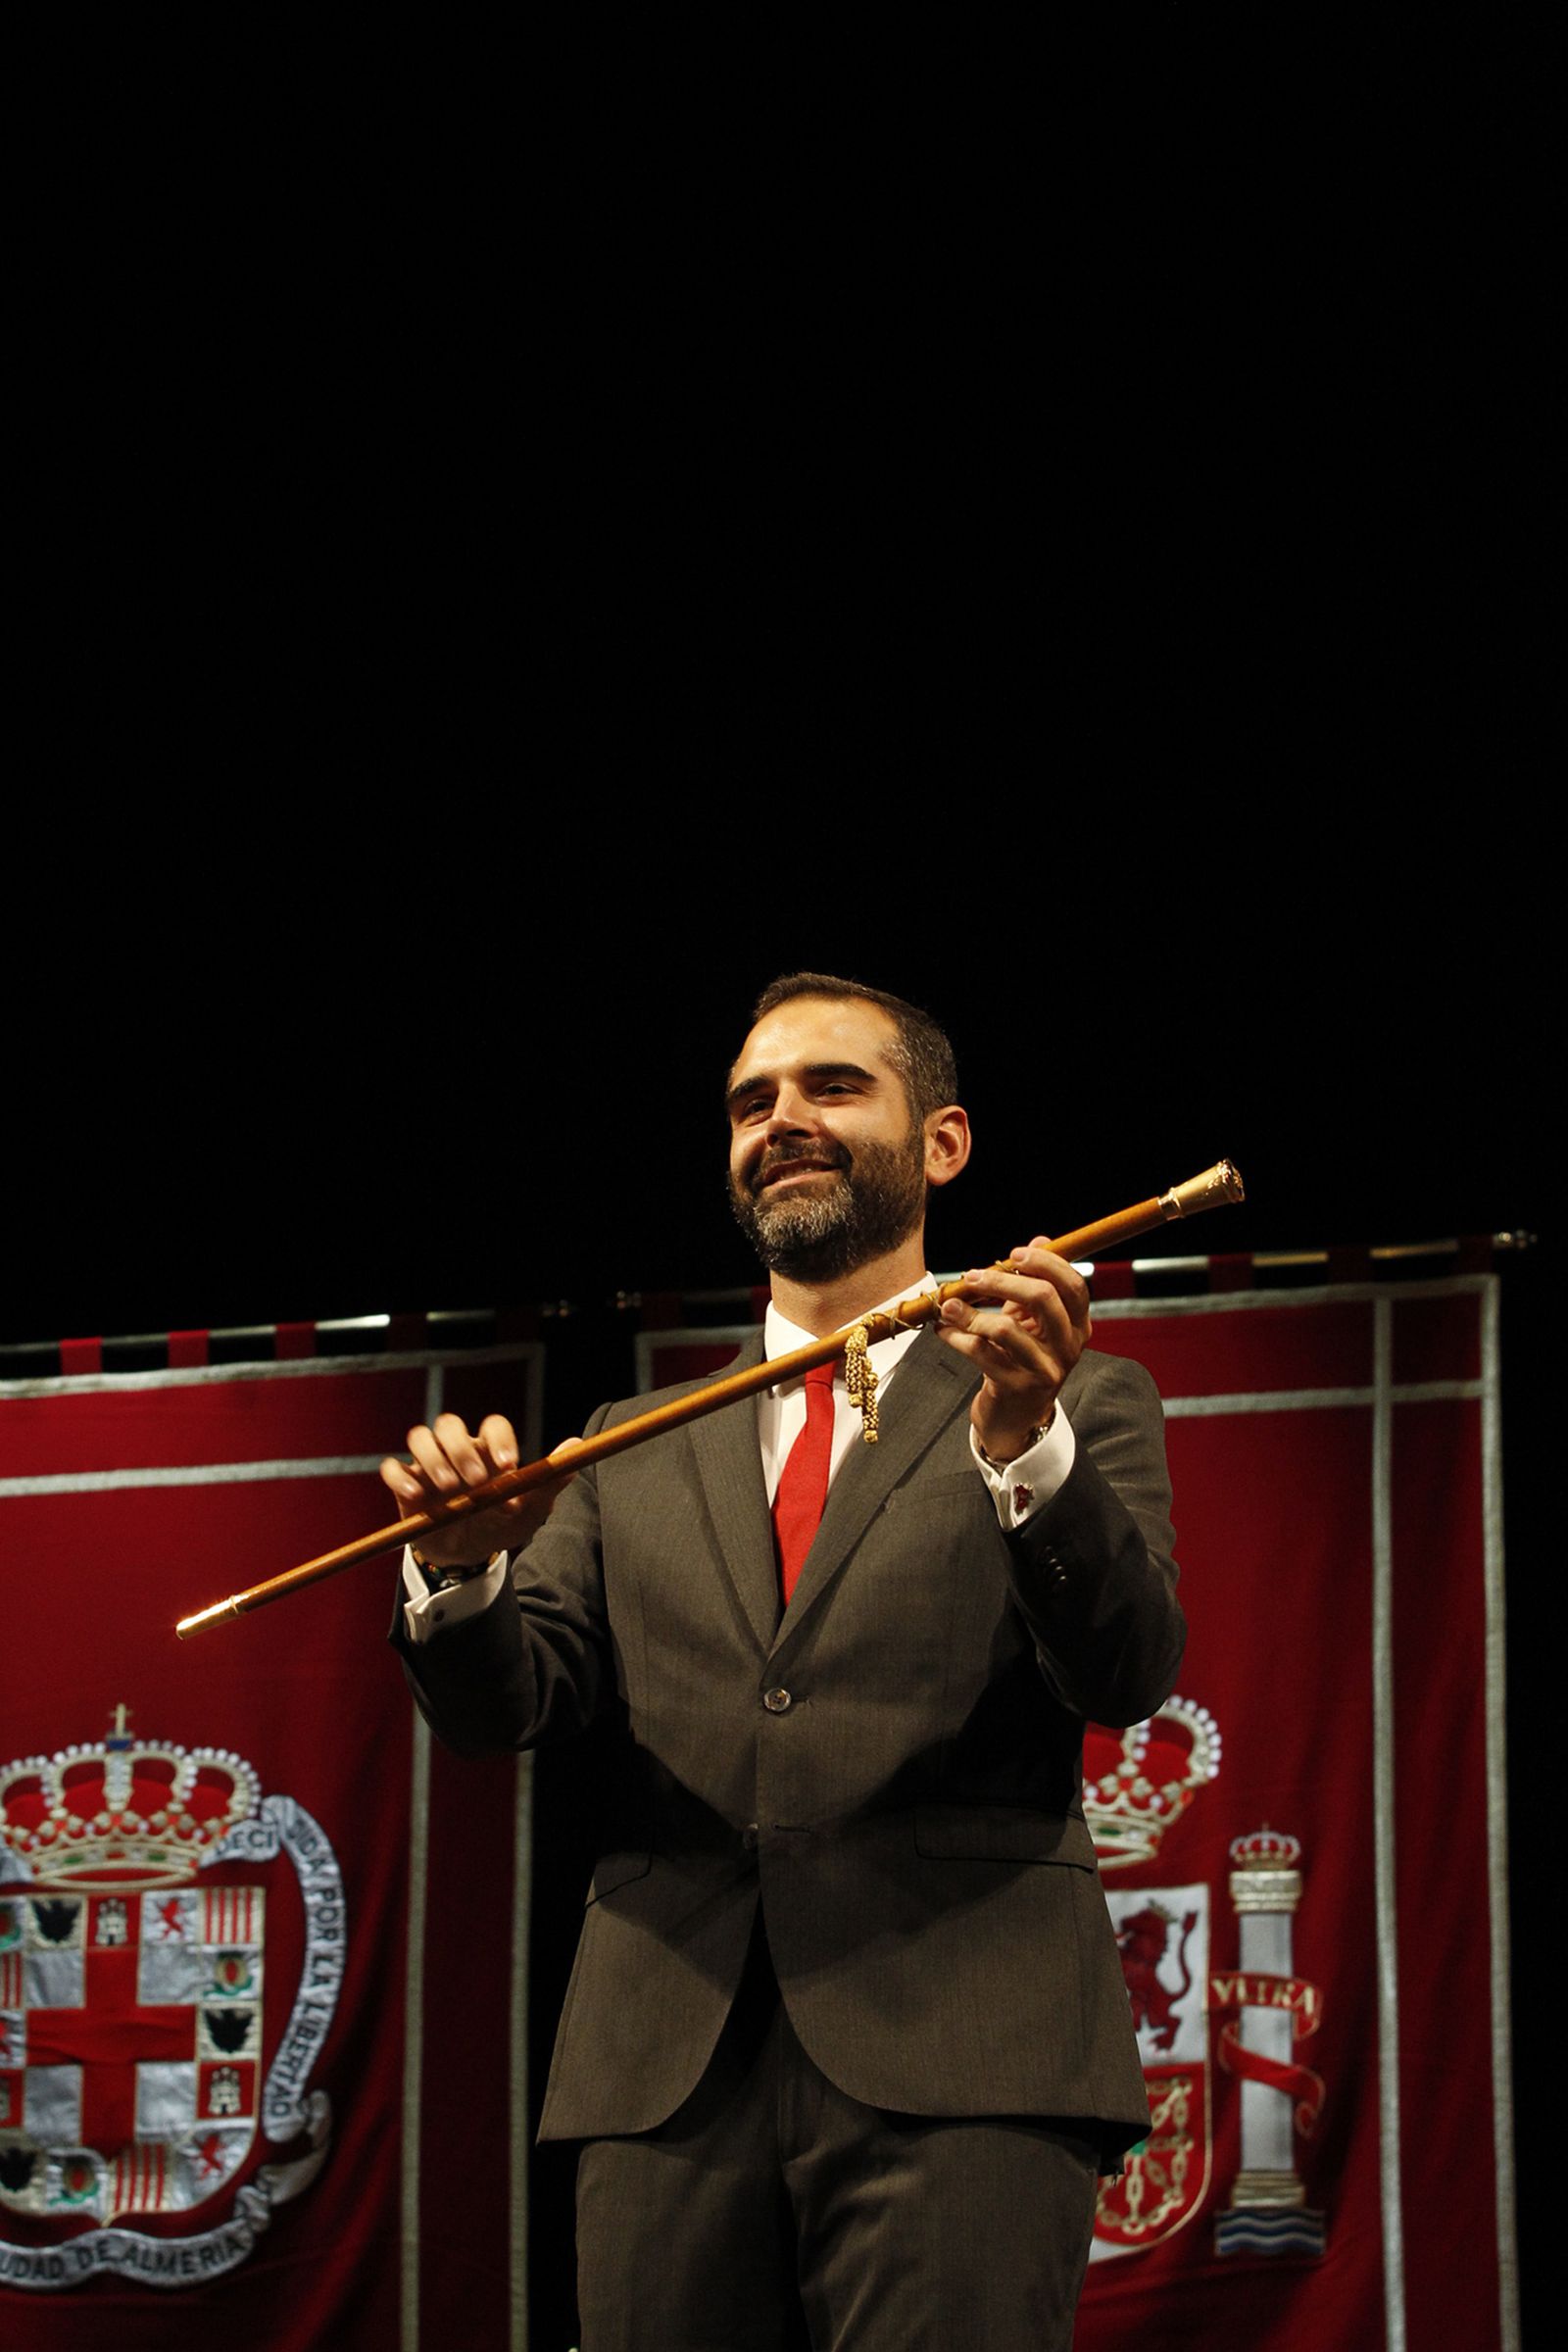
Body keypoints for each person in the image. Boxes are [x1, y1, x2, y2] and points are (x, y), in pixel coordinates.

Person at [384, 973, 1184, 2351]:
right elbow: (512, 1702)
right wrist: (461, 1573)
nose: (783, 1121)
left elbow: (1123, 1671)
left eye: (832, 1087)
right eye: (753, 1102)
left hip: (965, 2055)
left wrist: (1023, 1446)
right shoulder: (628, 1436)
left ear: (943, 1144)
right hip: (663, 2067)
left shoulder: (1068, 1394)